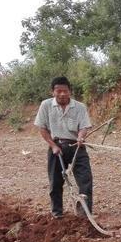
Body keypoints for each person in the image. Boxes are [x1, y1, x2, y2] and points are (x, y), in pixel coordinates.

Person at [34, 76, 93, 218]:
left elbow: (84, 126)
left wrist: (81, 137)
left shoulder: (79, 107)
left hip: (77, 147)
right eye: (58, 91)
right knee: (55, 182)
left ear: (70, 91)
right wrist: (53, 146)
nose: (62, 94)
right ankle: (57, 213)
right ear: (52, 92)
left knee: (85, 179)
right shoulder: (46, 105)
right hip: (56, 147)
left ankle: (84, 214)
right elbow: (42, 129)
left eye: (65, 91)